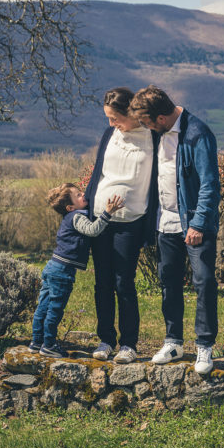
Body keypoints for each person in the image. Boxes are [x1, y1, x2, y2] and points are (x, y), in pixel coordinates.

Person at [130, 85, 221, 374]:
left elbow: (209, 184)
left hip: (194, 224)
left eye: (146, 122)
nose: (145, 127)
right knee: (168, 281)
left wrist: (198, 224)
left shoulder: (197, 133)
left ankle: (204, 346)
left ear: (160, 117)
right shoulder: (157, 135)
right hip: (164, 223)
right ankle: (173, 341)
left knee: (204, 281)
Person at [84, 87, 159, 364]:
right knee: (102, 282)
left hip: (131, 221)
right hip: (100, 219)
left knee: (123, 282)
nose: (111, 124)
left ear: (132, 112)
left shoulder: (153, 137)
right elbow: (98, 174)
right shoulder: (110, 135)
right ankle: (105, 339)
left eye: (115, 118)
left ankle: (128, 343)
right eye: (108, 118)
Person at [29, 183, 124, 358]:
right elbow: (93, 230)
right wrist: (108, 213)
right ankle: (48, 344)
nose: (83, 195)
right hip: (62, 271)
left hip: (52, 266)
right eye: (79, 195)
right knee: (54, 309)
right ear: (70, 207)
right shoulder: (76, 217)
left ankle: (36, 342)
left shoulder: (69, 217)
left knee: (43, 306)